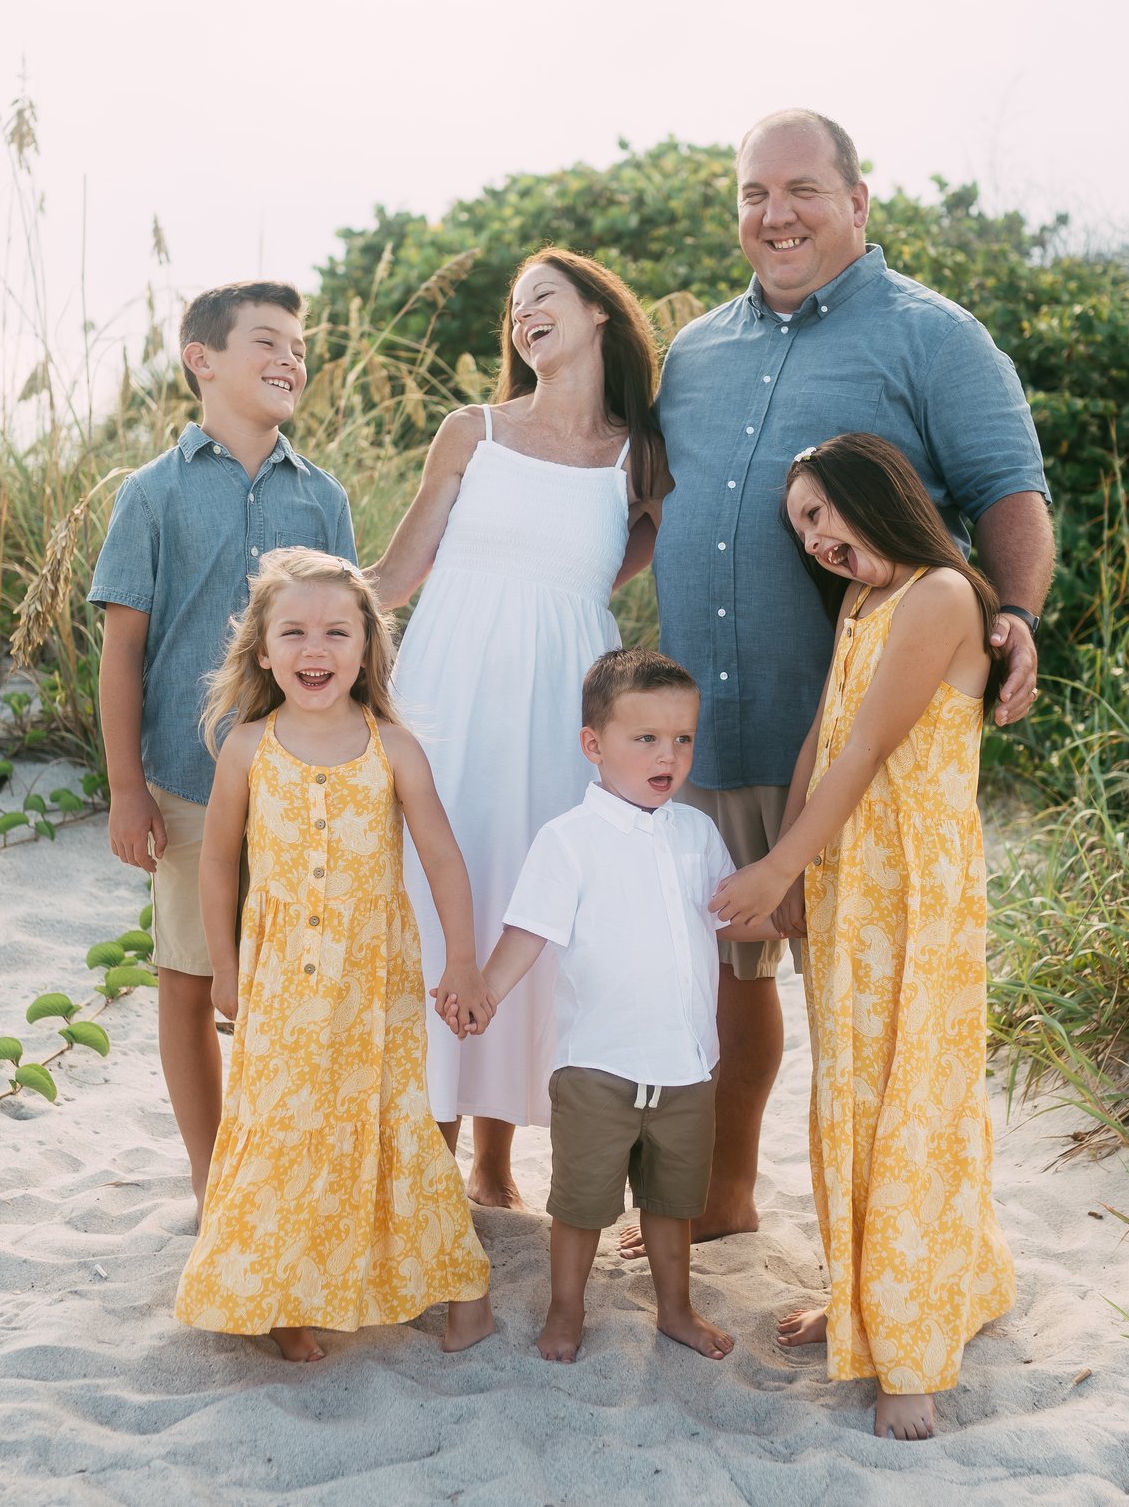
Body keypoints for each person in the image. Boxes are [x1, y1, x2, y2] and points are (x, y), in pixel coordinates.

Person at [641, 109, 1055, 1258]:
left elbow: (1009, 495)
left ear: (859, 201)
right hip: (705, 732)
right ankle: (726, 1194)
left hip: (850, 737)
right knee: (732, 975)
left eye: (803, 190)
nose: (774, 214)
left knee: (862, 1007)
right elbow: (650, 509)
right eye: (752, 193)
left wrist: (1014, 615)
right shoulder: (693, 351)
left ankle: (888, 1256)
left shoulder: (935, 337)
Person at [708, 433, 1016, 1439]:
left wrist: (775, 863)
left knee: (911, 1097)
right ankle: (866, 1298)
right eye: (800, 525)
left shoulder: (937, 594)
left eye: (820, 513)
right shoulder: (863, 598)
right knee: (852, 1088)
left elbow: (875, 751)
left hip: (916, 888)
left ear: (870, 497)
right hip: (854, 881)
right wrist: (804, 879)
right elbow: (824, 738)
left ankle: (913, 1353)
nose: (813, 539)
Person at [367, 249, 667, 1208]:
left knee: (529, 904)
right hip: (451, 694)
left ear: (599, 316)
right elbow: (395, 574)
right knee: (442, 896)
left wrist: (568, 599)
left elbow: (635, 548)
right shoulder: (474, 431)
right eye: (513, 307)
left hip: (562, 702)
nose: (523, 314)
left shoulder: (637, 455)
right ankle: (433, 1151)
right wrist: (298, 633)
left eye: (543, 296)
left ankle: (496, 1159)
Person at [173, 549, 494, 1361]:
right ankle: (287, 1299)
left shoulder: (395, 748)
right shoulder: (248, 747)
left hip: (372, 986)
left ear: (365, 649)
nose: (315, 649)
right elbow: (217, 861)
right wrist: (223, 965)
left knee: (397, 1129)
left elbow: (444, 859)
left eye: (335, 632)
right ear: (262, 649)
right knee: (282, 1131)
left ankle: (465, 1286)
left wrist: (461, 961)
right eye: (295, 632)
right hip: (280, 983)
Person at [90, 282, 359, 1215]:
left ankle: (285, 1159)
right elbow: (123, 650)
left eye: (299, 344)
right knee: (190, 976)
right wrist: (127, 786)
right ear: (201, 359)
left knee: (291, 985)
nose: (291, 357)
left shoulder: (323, 498)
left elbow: (354, 651)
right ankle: (215, 1179)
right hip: (188, 781)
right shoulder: (151, 494)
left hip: (303, 787)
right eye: (267, 341)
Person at [445, 649, 771, 1364]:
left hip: (685, 1063)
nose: (669, 754)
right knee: (581, 1203)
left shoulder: (695, 832)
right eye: (646, 738)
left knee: (673, 1201)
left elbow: (730, 912)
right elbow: (526, 931)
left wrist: (790, 912)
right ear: (594, 744)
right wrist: (487, 993)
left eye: (683, 738)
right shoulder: (570, 840)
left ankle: (675, 1309)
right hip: (598, 1064)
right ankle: (566, 1310)